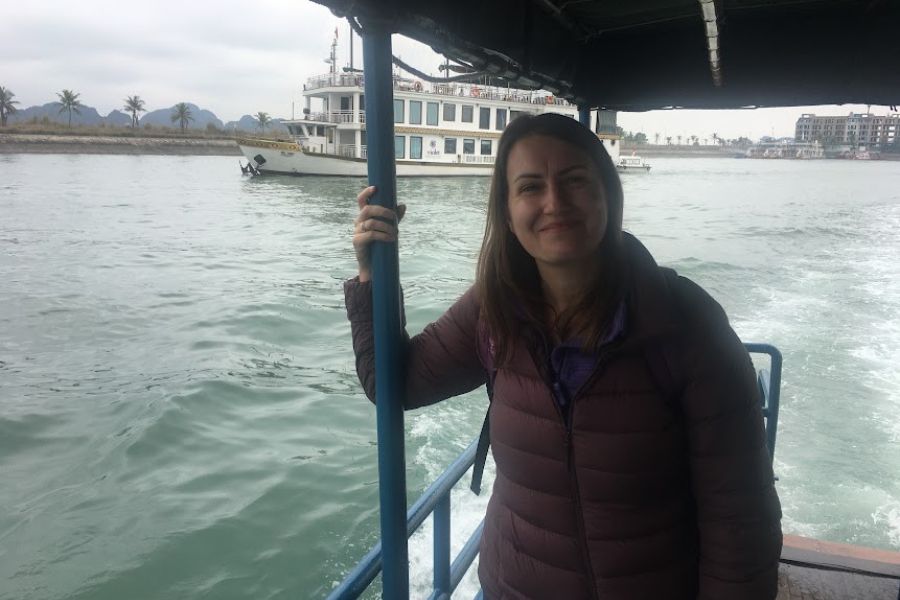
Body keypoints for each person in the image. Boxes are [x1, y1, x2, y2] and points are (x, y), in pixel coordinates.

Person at [345, 113, 782, 599]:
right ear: (508, 214)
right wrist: (371, 277)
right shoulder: (493, 311)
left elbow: (740, 520)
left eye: (574, 180)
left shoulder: (684, 322)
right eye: (530, 187)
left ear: (607, 194)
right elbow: (394, 384)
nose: (554, 202)